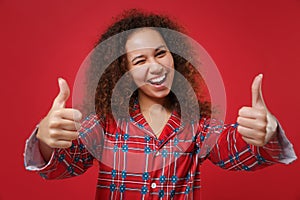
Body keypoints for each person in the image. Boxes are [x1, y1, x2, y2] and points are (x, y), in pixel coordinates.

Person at [24, 9, 297, 199]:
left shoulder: (196, 126)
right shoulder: (105, 124)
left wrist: (265, 133)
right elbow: (66, 164)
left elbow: (234, 148)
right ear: (123, 73)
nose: (156, 67)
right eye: (140, 61)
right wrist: (47, 138)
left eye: (160, 54)